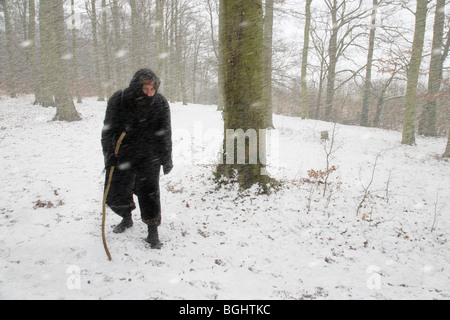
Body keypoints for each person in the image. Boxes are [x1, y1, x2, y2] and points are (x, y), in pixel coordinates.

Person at [101, 69, 173, 249]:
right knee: (120, 189)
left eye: (152, 89)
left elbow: (165, 132)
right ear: (136, 87)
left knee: (149, 192)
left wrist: (166, 158)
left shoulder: (160, 103)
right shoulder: (119, 99)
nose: (149, 93)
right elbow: (108, 129)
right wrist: (108, 153)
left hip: (150, 155)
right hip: (122, 152)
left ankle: (152, 232)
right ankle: (126, 218)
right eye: (145, 88)